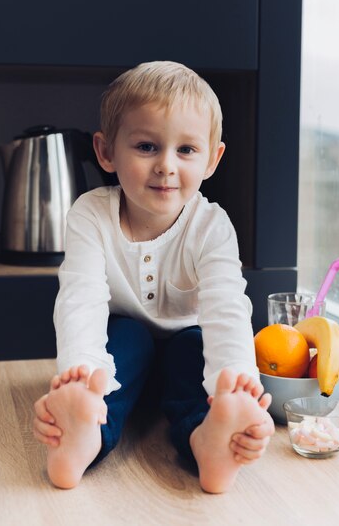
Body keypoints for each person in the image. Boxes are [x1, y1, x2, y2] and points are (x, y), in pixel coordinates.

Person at [33, 61, 274, 493]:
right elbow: (80, 299)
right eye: (146, 147)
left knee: (192, 346)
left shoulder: (212, 226)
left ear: (212, 159)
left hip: (188, 350)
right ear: (106, 152)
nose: (166, 165)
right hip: (123, 353)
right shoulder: (90, 214)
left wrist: (236, 382)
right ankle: (85, 436)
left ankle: (208, 442)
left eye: (186, 150)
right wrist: (80, 373)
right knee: (127, 339)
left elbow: (227, 307)